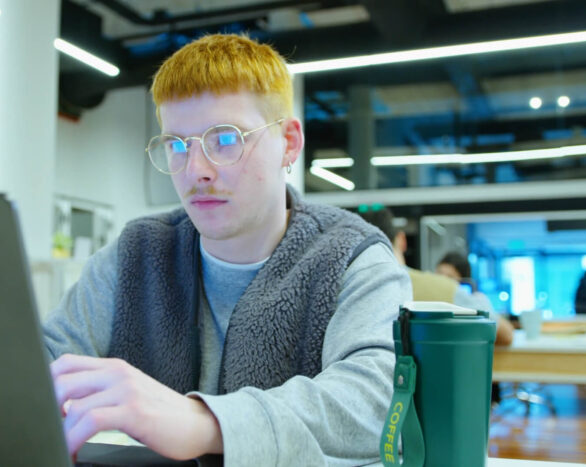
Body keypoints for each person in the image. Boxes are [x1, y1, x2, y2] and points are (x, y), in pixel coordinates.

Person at [42, 34, 411, 465]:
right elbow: (43, 366)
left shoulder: (353, 257)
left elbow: (378, 400)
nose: (195, 170)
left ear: (289, 143)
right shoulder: (136, 255)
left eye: (225, 139)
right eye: (176, 145)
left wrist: (205, 423)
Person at [359, 208, 513, 346]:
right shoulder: (443, 288)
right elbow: (505, 335)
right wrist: (482, 301)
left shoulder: (349, 294)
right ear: (402, 240)